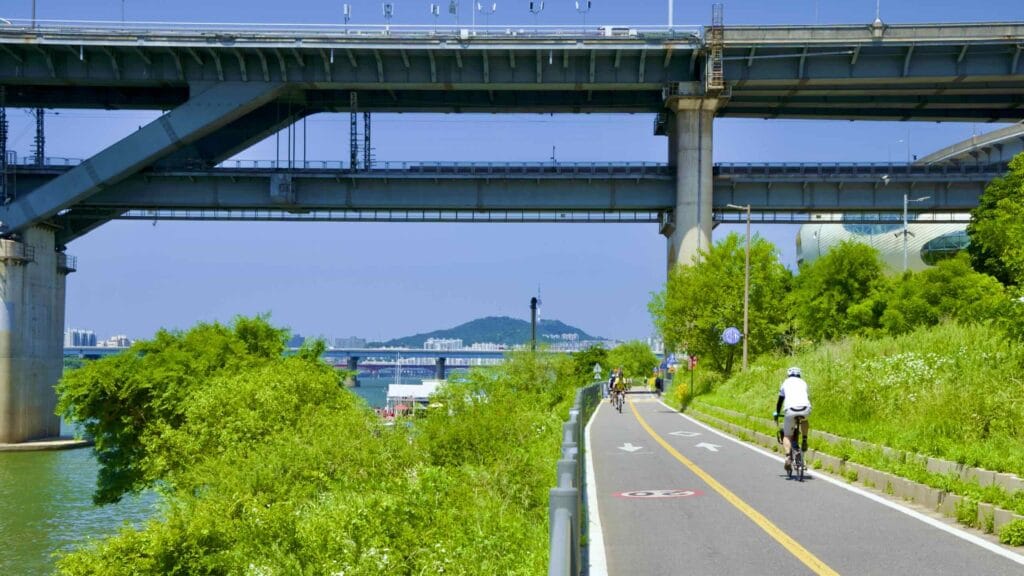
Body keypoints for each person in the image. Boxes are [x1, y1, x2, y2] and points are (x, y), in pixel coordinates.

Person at [773, 366, 811, 474]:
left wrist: (777, 412)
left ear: (788, 374)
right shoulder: (803, 383)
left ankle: (788, 456)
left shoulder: (785, 383)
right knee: (804, 420)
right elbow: (806, 397)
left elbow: (780, 401)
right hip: (805, 408)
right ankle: (804, 438)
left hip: (790, 409)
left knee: (787, 435)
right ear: (799, 374)